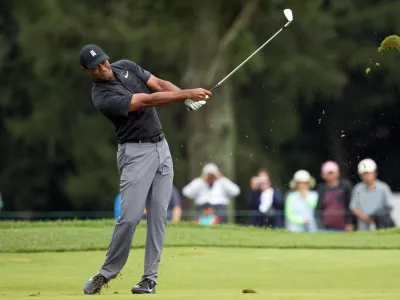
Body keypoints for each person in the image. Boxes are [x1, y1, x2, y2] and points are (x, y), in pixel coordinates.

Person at [80, 44, 212, 295]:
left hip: (161, 148)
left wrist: (186, 98)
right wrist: (187, 93)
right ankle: (105, 274)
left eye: (105, 62)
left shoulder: (126, 66)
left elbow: (160, 85)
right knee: (129, 218)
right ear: (87, 70)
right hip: (134, 154)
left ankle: (148, 279)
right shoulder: (102, 97)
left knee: (158, 215)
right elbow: (148, 100)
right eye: (96, 67)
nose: (104, 68)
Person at [350, 158, 394, 231]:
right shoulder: (358, 189)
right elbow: (353, 207)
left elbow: (389, 207)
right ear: (360, 175)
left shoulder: (383, 188)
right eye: (364, 173)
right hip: (363, 226)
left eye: (369, 173)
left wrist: (377, 217)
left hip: (381, 225)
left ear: (375, 172)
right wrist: (366, 218)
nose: (367, 175)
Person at [316, 161, 354, 232]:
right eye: (327, 173)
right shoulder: (321, 189)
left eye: (331, 173)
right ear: (323, 175)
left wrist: (349, 223)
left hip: (343, 227)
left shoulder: (346, 186)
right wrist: (319, 225)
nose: (330, 175)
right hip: (325, 227)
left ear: (337, 173)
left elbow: (350, 205)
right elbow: (319, 208)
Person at [114, 185, 182, 222]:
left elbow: (177, 208)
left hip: (166, 222)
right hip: (144, 223)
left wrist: (174, 224)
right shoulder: (140, 189)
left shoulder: (170, 189)